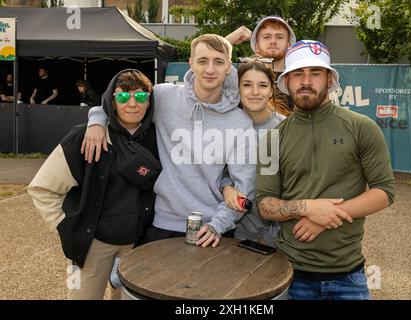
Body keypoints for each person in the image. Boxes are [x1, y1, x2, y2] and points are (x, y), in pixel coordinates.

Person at [81, 34, 255, 248]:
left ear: (229, 66)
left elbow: (244, 186)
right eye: (202, 61)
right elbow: (124, 101)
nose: (210, 69)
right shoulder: (164, 97)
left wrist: (218, 225)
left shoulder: (240, 121)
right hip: (163, 224)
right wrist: (98, 120)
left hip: (214, 230)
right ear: (190, 63)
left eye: (218, 61)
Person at [256, 40, 396, 300]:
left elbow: (384, 191)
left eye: (315, 73)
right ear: (286, 82)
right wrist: (307, 207)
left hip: (349, 276)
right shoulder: (273, 139)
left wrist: (326, 216)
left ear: (329, 79)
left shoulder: (362, 127)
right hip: (290, 276)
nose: (306, 81)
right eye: (297, 74)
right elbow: (265, 204)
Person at [28, 69, 161, 300]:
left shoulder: (157, 138)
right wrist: (66, 227)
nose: (132, 104)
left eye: (140, 97)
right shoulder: (84, 138)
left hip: (138, 245)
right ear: (112, 100)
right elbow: (42, 188)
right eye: (122, 97)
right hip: (90, 247)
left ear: (149, 102)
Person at [220, 57, 286, 247]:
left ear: (271, 90)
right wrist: (226, 187)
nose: (255, 92)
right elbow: (220, 169)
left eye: (263, 85)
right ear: (237, 88)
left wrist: (271, 237)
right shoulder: (227, 126)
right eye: (247, 85)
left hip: (276, 238)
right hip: (236, 234)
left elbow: (298, 187)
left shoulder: (286, 128)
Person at [226, 16, 296, 116]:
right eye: (267, 37)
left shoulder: (297, 77)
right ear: (257, 46)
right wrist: (228, 40)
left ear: (289, 45)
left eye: (279, 37)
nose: (273, 41)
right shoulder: (239, 73)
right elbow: (200, 68)